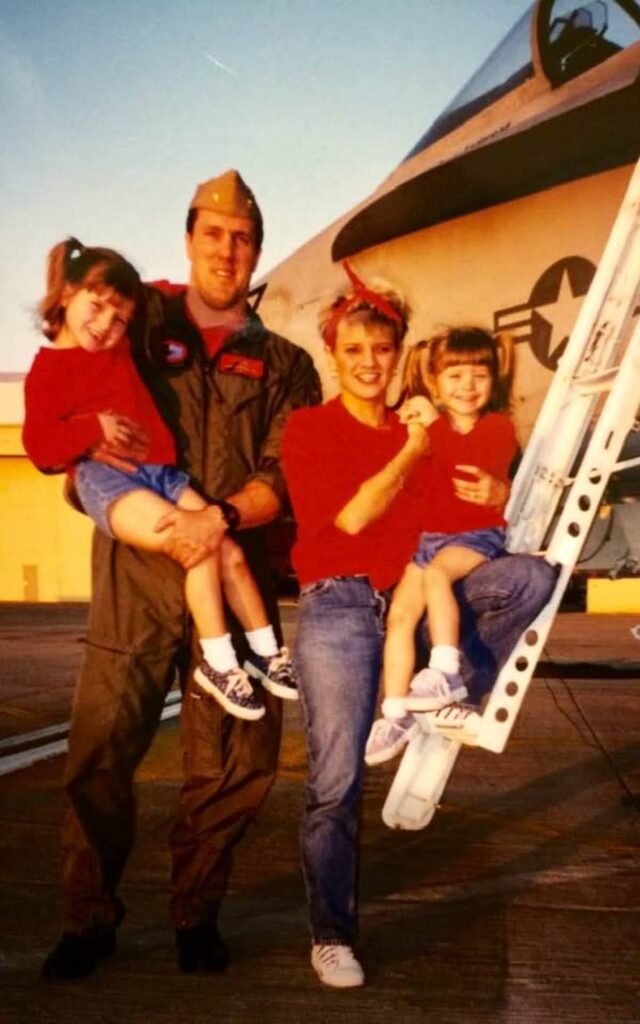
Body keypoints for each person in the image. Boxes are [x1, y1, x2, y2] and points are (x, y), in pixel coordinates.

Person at [38, 170, 321, 980]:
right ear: (188, 238)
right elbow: (64, 369)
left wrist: (218, 520)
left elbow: (284, 473)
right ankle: (88, 921)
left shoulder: (287, 365)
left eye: (242, 238)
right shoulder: (135, 322)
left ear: (256, 250)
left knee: (238, 760)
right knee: (97, 757)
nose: (226, 251)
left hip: (229, 577)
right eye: (212, 234)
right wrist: (83, 458)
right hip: (135, 575)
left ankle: (197, 909)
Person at [281, 263, 556, 988]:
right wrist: (411, 448)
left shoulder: (431, 418)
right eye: (354, 351)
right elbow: (351, 517)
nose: (369, 364)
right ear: (333, 357)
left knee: (533, 576)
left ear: (399, 354)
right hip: (340, 604)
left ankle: (444, 682)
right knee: (335, 782)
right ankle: (332, 934)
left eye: (381, 350)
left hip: (418, 590)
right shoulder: (312, 428)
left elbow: (476, 494)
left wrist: (499, 489)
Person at [24, 237, 300, 723]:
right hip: (107, 479)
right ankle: (219, 663)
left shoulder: (122, 344)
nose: (106, 324)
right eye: (97, 305)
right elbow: (39, 445)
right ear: (66, 294)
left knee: (228, 548)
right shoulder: (47, 371)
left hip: (164, 474)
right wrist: (94, 430)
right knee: (192, 541)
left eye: (119, 317)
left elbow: (168, 296)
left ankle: (267, 652)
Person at [364, 327, 518, 765]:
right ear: (434, 382)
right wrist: (411, 429)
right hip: (429, 538)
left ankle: (446, 673)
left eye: (479, 375)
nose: (467, 386)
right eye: (454, 376)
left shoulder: (497, 426)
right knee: (400, 615)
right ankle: (395, 714)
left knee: (436, 577)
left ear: (493, 381)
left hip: (476, 535)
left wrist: (432, 427)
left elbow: (464, 462)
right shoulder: (430, 427)